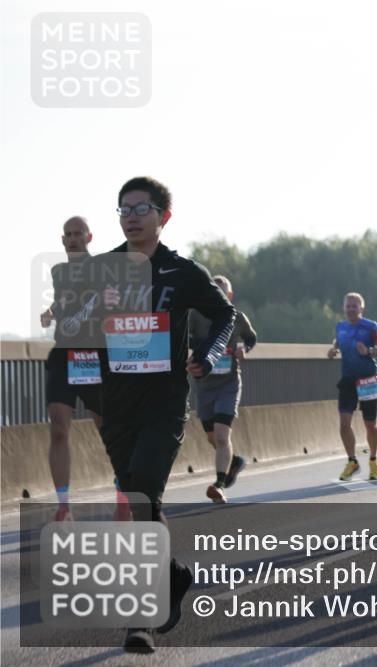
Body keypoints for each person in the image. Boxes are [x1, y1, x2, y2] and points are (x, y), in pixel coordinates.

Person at [78, 177, 235, 653]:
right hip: (115, 404)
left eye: (141, 208)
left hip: (163, 403)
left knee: (144, 494)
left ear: (164, 216)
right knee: (143, 504)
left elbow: (224, 316)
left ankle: (140, 619)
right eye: (123, 209)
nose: (131, 216)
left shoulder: (182, 271)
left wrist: (207, 354)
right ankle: (174, 574)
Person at [39, 216, 104, 521]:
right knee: (58, 429)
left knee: (108, 430)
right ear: (62, 239)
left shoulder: (102, 268)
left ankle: (123, 493)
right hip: (63, 354)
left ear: (89, 237)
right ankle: (63, 504)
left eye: (79, 233)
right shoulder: (58, 271)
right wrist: (51, 311)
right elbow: (66, 299)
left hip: (94, 354)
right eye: (68, 234)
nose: (73, 238)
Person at [189, 275, 258, 503]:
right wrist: (202, 348)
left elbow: (251, 338)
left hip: (228, 383)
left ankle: (219, 484)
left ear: (230, 295)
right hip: (204, 384)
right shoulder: (196, 315)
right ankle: (234, 461)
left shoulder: (237, 317)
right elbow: (183, 339)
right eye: (214, 291)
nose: (218, 296)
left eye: (223, 292)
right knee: (212, 437)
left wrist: (244, 349)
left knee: (221, 435)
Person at [329, 293, 377, 481]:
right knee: (344, 423)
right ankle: (352, 461)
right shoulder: (340, 327)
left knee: (371, 425)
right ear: (343, 308)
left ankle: (374, 459)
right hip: (348, 379)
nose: (350, 309)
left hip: (367, 379)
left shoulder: (371, 327)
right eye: (347, 306)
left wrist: (369, 351)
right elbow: (338, 342)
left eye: (354, 306)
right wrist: (333, 350)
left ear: (361, 308)